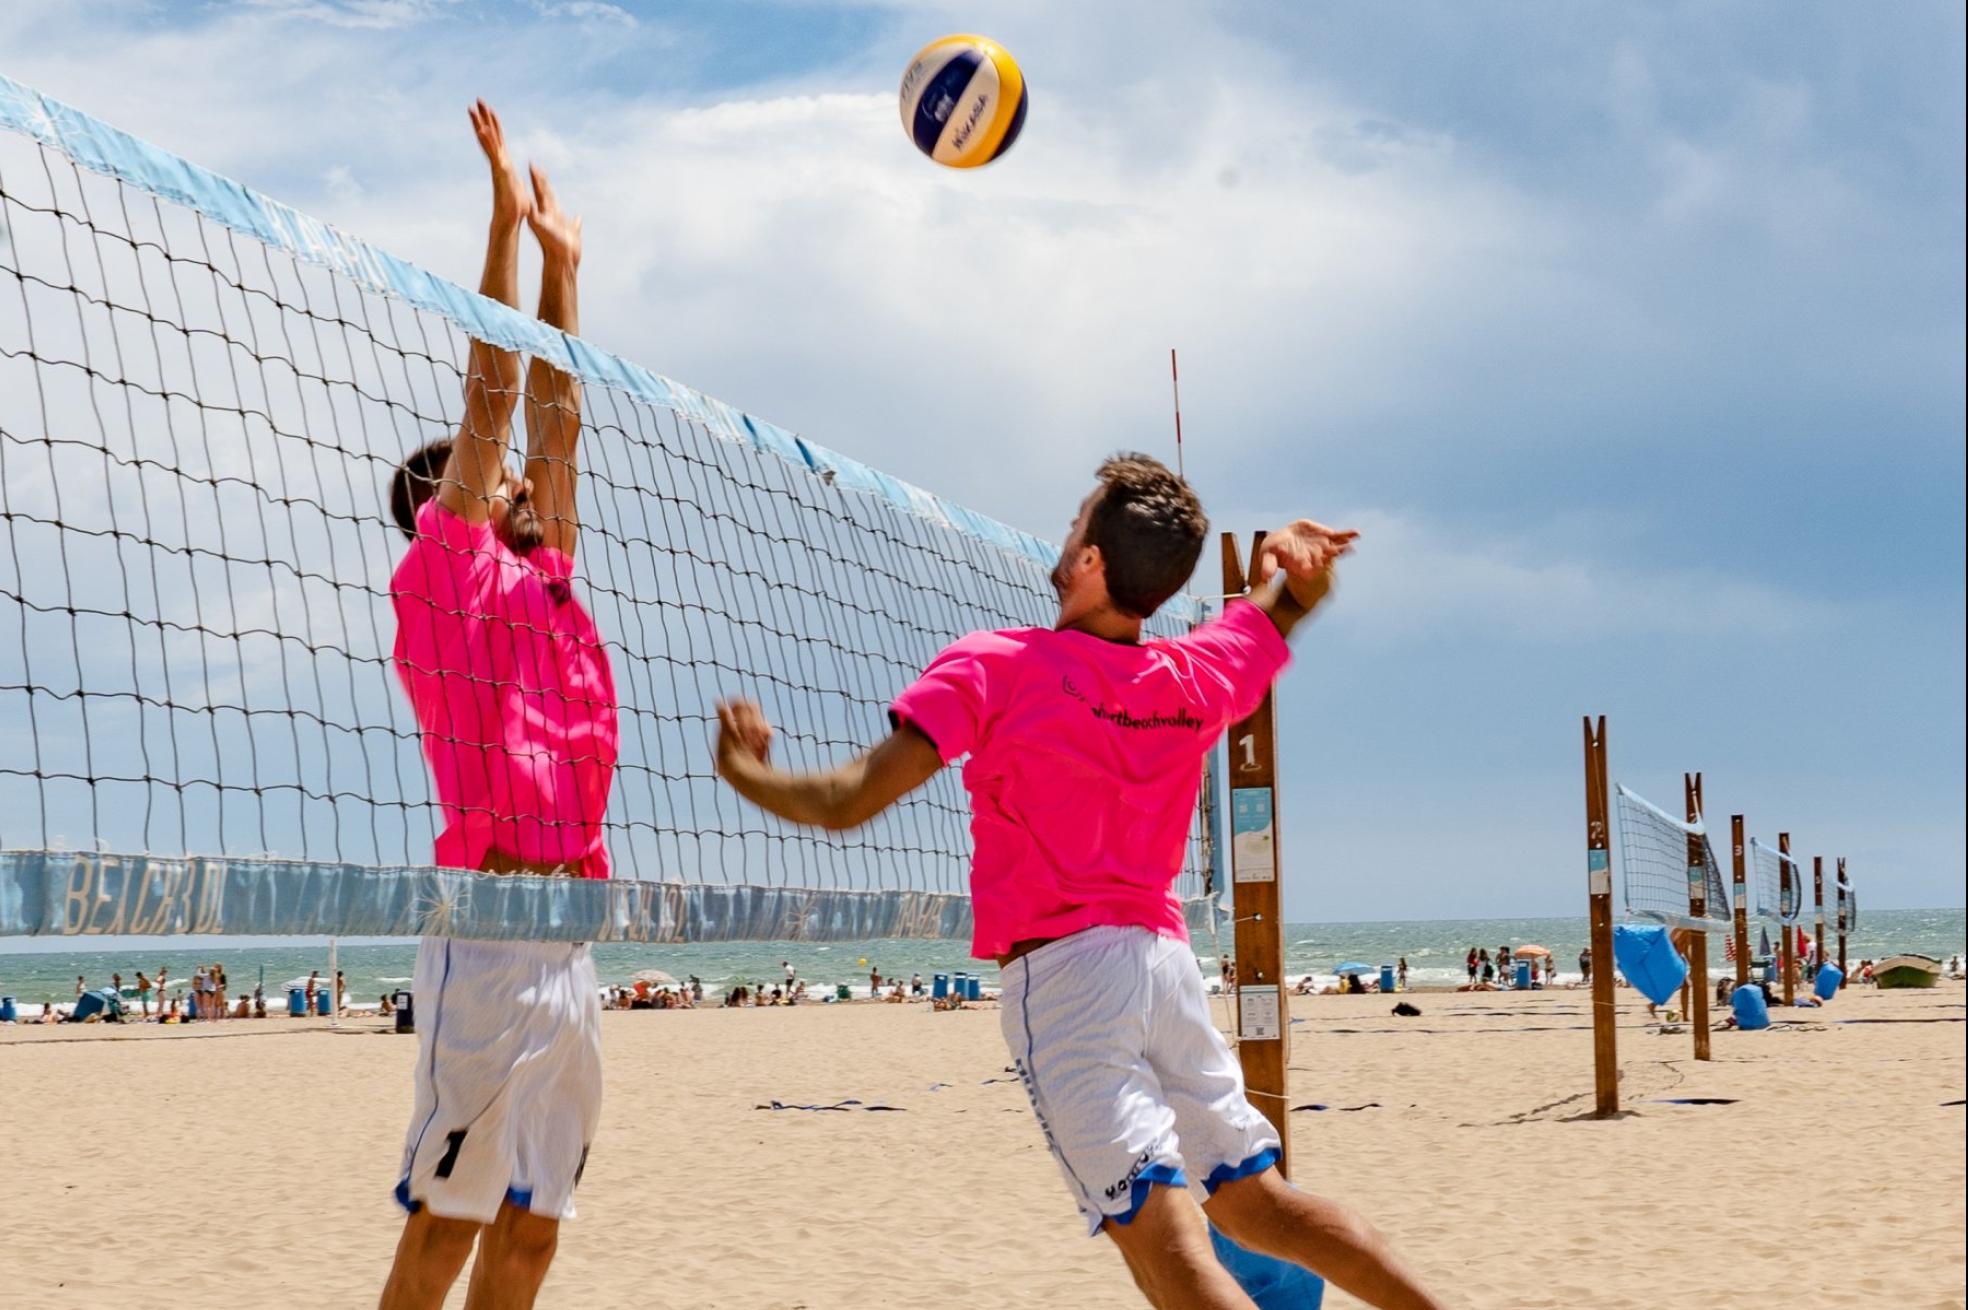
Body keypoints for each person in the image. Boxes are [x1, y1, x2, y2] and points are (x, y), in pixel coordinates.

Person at [714, 457, 1444, 1309]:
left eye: (1076, 521)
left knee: (1169, 1254)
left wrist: (741, 770)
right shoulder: (1195, 676)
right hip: (1165, 967)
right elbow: (1291, 604)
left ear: (1092, 560)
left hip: (1067, 982)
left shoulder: (996, 666)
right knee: (1260, 1205)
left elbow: (848, 802)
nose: (1064, 534)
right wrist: (1294, 561)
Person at [377, 103, 611, 1310]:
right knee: (448, 1227)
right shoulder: (443, 572)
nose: (525, 477)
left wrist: (568, 267)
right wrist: (501, 224)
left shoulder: (548, 575)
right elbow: (495, 388)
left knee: (532, 1235)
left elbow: (559, 411)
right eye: (500, 477)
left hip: (571, 940)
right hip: (485, 935)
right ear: (450, 505)